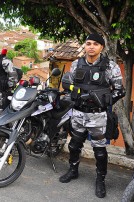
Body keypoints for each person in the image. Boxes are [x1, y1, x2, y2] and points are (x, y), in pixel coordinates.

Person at [60, 33, 125, 198]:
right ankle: (73, 170)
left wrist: (102, 100)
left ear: (101, 47)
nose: (91, 46)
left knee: (100, 151)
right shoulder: (76, 64)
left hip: (98, 116)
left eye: (95, 44)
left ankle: (100, 180)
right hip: (78, 113)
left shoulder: (110, 66)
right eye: (88, 43)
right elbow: (70, 86)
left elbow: (119, 91)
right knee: (74, 145)